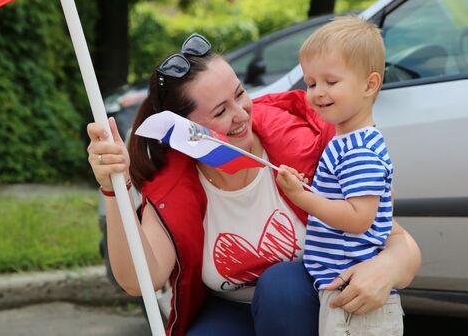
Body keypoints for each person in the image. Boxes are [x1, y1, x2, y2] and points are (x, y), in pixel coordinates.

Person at [86, 32, 421, 336]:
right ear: (185, 132)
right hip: (230, 312)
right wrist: (114, 186)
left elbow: (399, 242)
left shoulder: (304, 148)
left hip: (307, 309)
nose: (242, 114)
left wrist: (386, 269)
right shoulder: (175, 185)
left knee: (282, 286)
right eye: (220, 111)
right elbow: (138, 281)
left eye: (240, 94)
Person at [275, 16, 404, 335]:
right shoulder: (346, 141)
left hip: (355, 298)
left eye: (331, 82)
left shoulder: (359, 149)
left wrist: (302, 197)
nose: (318, 92)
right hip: (345, 291)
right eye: (311, 83)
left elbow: (360, 218)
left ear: (370, 84)